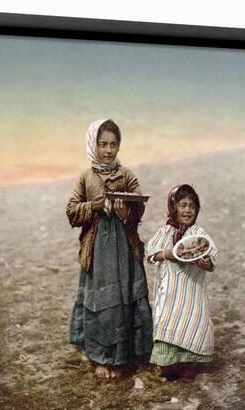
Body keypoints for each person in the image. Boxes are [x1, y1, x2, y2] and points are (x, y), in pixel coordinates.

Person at [66, 119, 153, 379]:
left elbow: (139, 209)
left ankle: (124, 356)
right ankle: (100, 357)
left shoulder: (126, 174)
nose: (108, 150)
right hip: (98, 252)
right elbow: (71, 212)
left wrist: (126, 210)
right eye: (102, 144)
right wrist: (92, 206)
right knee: (102, 302)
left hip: (124, 249)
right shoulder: (85, 177)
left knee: (124, 299)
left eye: (113, 144)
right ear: (94, 145)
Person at [147, 184, 218, 381]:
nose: (188, 210)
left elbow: (211, 257)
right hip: (169, 289)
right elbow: (150, 253)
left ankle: (187, 364)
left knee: (191, 322)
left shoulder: (199, 233)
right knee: (168, 322)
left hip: (191, 290)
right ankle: (167, 362)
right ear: (173, 207)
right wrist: (167, 254)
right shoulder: (165, 232)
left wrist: (205, 262)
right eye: (183, 205)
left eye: (192, 206)